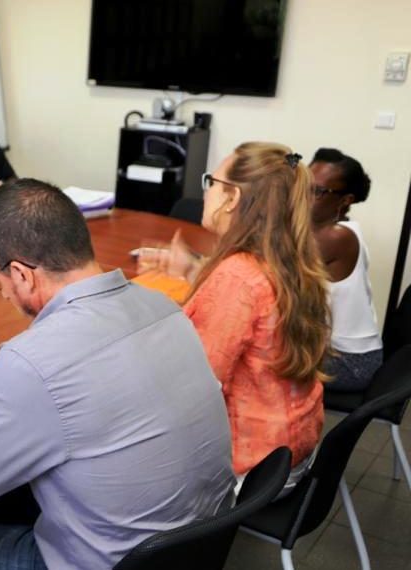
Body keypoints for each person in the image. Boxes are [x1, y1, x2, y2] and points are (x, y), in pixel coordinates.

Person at [0, 179, 235, 570]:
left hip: (112, 563)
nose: (2, 294)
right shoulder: (164, 309)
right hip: (197, 550)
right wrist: (12, 396)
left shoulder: (30, 362)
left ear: (21, 274)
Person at [153, 143, 331, 491]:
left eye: (211, 182)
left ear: (232, 197)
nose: (206, 193)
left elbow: (195, 386)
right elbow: (257, 304)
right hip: (290, 453)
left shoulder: (236, 276)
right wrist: (191, 271)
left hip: (251, 474)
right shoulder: (290, 261)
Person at [309, 148, 382, 392]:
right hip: (329, 348)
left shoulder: (337, 236)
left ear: (345, 200)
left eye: (317, 191)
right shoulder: (330, 230)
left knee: (258, 360)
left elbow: (273, 271)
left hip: (349, 361)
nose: (303, 196)